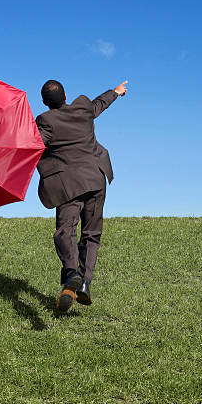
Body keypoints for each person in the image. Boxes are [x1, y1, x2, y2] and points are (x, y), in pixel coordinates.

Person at [35, 79, 128, 312]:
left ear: (45, 103)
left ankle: (71, 273)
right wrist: (116, 92)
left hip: (69, 186)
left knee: (65, 230)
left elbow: (34, 145)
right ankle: (84, 283)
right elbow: (99, 104)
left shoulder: (46, 121)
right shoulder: (83, 108)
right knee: (91, 234)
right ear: (66, 96)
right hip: (96, 179)